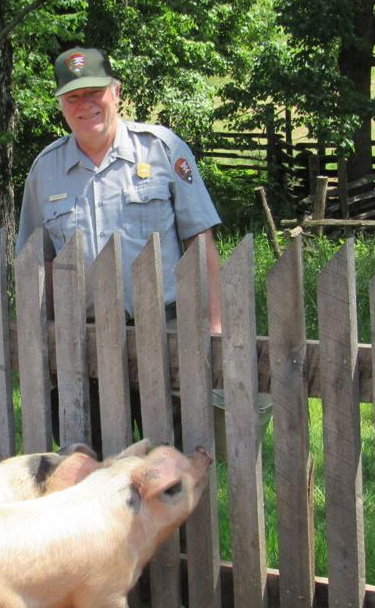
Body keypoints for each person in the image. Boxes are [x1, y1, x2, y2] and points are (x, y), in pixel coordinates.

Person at [15, 46, 223, 448]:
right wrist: (50, 343)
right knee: (94, 473)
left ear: (116, 92)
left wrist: (215, 330)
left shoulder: (161, 149)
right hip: (87, 342)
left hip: (167, 331)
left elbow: (201, 240)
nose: (85, 104)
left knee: (171, 471)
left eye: (94, 92)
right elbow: (37, 262)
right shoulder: (45, 171)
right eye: (73, 96)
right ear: (61, 105)